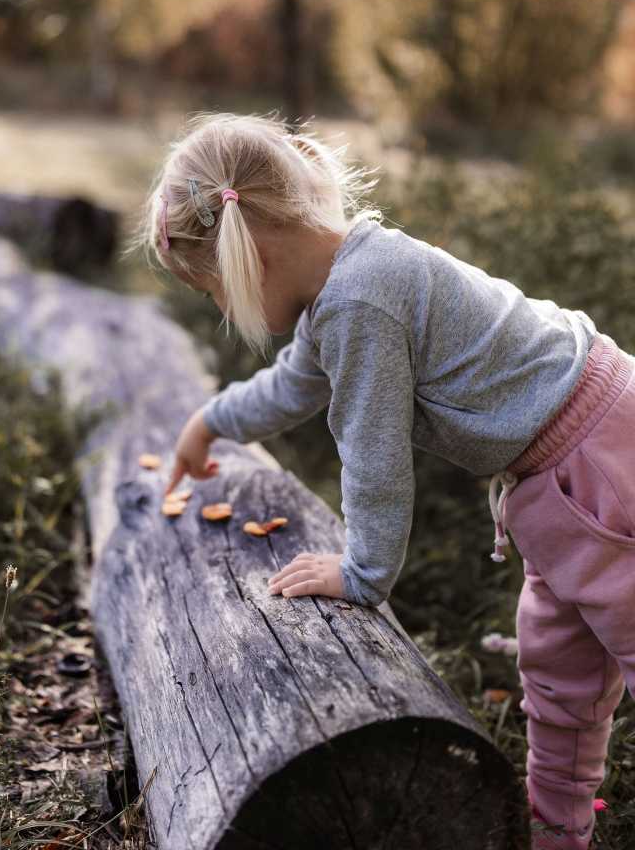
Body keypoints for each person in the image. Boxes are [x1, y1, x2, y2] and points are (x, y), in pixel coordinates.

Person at [125, 110, 635, 850]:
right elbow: (292, 387)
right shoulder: (344, 284)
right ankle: (557, 829)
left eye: (213, 291)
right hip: (562, 477)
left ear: (248, 257)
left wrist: (362, 573)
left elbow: (372, 452)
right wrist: (208, 424)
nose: (221, 306)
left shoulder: (362, 300)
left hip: (597, 468)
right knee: (556, 665)